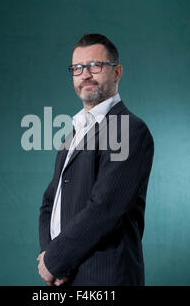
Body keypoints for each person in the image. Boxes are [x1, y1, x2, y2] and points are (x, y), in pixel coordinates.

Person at [37, 33, 154, 286]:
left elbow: (105, 208)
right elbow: (50, 202)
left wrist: (55, 260)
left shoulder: (129, 130)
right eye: (77, 68)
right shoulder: (74, 132)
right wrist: (52, 260)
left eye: (95, 65)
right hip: (65, 278)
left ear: (117, 72)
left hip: (104, 278)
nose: (85, 74)